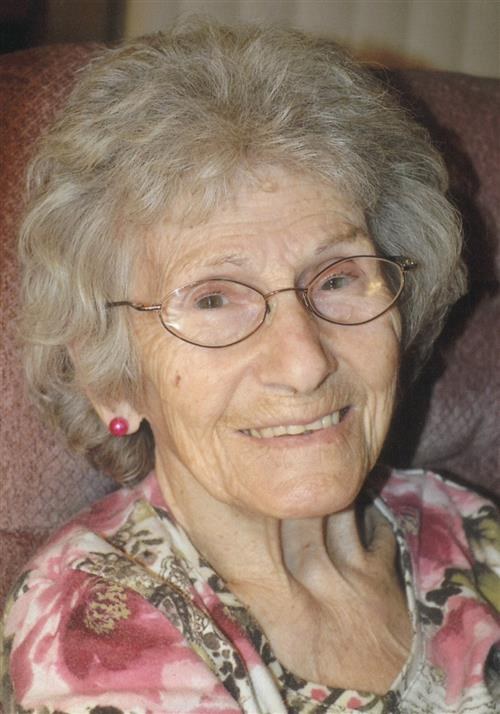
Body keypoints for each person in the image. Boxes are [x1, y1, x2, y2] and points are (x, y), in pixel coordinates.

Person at [1, 18, 498, 714]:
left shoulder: (466, 528)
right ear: (110, 378)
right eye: (213, 299)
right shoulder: (97, 636)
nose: (304, 363)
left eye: (338, 278)